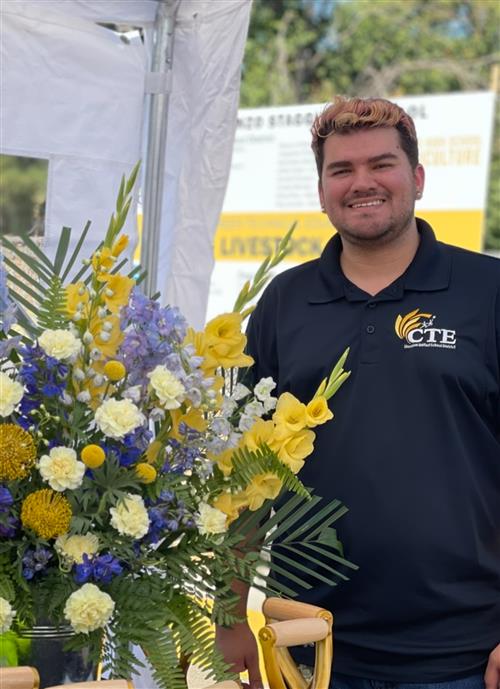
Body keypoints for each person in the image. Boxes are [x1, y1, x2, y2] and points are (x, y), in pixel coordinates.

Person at [216, 96, 500, 689]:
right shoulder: (284, 302)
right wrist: (228, 615)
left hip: (464, 653)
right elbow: (244, 471)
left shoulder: (487, 290)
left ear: (417, 178)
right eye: (341, 170)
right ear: (321, 189)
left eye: (382, 164)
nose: (361, 183)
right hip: (309, 644)